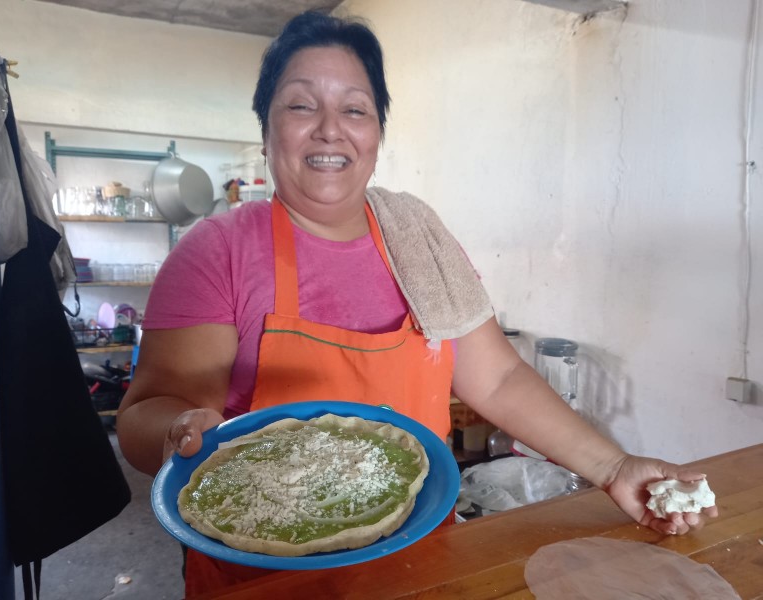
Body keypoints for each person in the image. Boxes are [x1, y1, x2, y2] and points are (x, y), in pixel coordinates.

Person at [117, 10, 717, 598]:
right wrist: (177, 430)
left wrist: (613, 469)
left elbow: (500, 377)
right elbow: (148, 410)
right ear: (266, 126)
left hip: (421, 565)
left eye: (354, 109)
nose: (330, 129)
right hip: (264, 575)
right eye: (302, 105)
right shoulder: (218, 251)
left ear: (377, 132)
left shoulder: (418, 238)